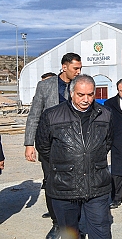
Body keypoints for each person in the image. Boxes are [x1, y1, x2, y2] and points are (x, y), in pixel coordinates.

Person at [35, 74, 113, 239]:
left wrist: (89, 159)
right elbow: (43, 146)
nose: (86, 99)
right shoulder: (51, 116)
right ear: (71, 93)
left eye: (90, 94)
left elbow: (107, 143)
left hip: (97, 184)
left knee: (101, 231)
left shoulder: (105, 115)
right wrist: (67, 162)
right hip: (64, 186)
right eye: (80, 94)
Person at [24, 52, 82, 239]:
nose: (78, 71)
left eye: (80, 68)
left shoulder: (80, 85)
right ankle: (57, 223)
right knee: (52, 184)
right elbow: (34, 115)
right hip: (50, 146)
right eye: (76, 68)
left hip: (76, 146)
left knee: (77, 185)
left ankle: (74, 224)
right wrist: (29, 144)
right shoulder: (45, 86)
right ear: (64, 67)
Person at [103, 78, 122, 209]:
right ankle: (116, 198)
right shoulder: (109, 103)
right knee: (117, 172)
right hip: (118, 141)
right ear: (117, 91)